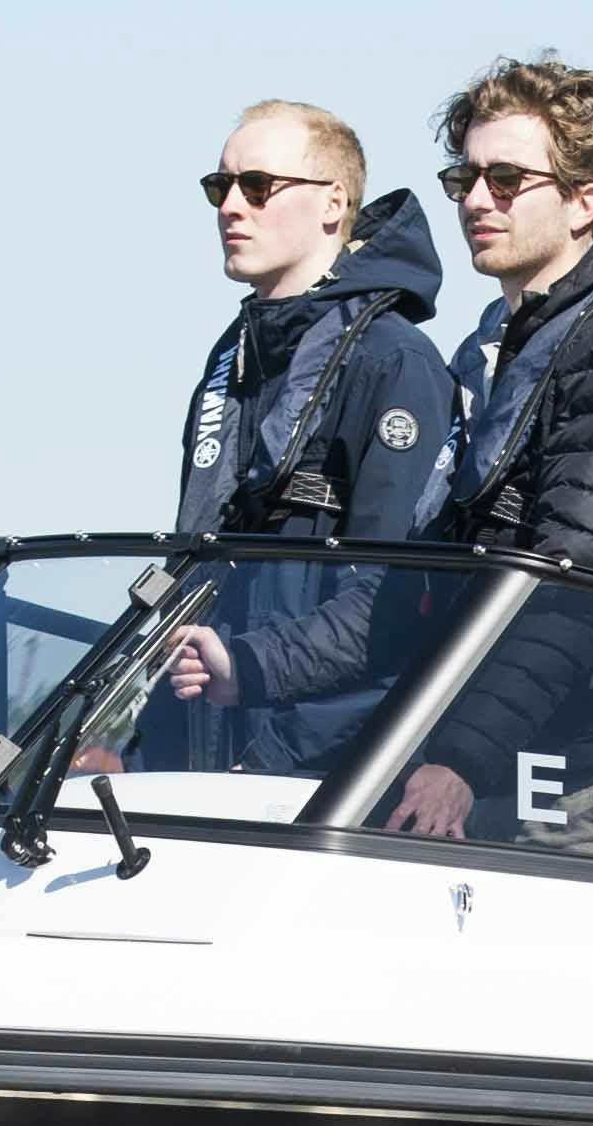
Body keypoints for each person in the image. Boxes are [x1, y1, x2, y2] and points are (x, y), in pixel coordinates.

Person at [385, 56, 593, 843]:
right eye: (463, 178)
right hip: (496, 763)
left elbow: (575, 581)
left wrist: (460, 761)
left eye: (506, 180)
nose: (474, 199)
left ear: (584, 202)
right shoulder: (491, 356)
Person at [142, 103, 447, 774]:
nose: (231, 208)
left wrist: (253, 682)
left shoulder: (396, 363)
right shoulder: (235, 361)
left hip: (324, 779)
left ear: (334, 203)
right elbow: (201, 578)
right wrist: (145, 747)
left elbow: (393, 606)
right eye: (220, 188)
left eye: (258, 187)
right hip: (209, 767)